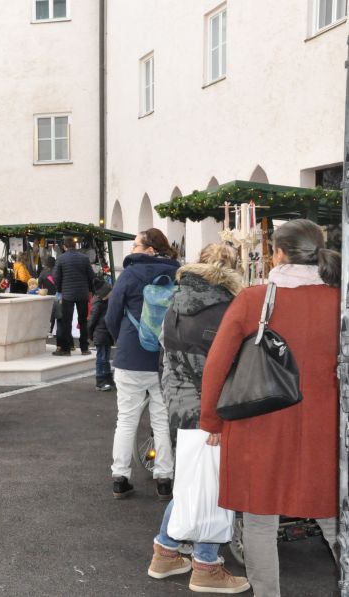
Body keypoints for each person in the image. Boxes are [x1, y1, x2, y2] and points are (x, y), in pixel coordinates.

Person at [200, 220, 341, 596]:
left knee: (260, 520)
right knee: (333, 517)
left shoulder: (254, 299)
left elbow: (217, 364)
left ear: (278, 254)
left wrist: (211, 421)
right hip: (324, 427)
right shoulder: (339, 301)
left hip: (258, 422)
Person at [147, 243, 249, 594]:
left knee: (194, 481)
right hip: (210, 409)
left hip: (179, 403)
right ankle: (206, 565)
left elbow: (166, 355)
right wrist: (217, 417)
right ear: (231, 270)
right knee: (212, 486)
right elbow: (223, 368)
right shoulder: (226, 308)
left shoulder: (177, 300)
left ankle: (166, 552)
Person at [105, 228, 179, 500]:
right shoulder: (177, 274)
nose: (132, 249)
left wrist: (123, 339)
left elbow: (112, 315)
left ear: (150, 249)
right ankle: (164, 478)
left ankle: (120, 477)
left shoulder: (130, 274)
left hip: (130, 356)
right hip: (163, 358)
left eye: (136, 245)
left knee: (126, 419)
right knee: (162, 420)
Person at [52, 239, 94, 356]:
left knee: (67, 321)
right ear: (75, 246)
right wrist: (90, 290)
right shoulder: (84, 258)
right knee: (83, 321)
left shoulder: (61, 259)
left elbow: (56, 277)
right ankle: (84, 348)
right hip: (82, 294)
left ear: (64, 247)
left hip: (67, 294)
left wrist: (59, 290)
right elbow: (91, 276)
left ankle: (66, 349)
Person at [87, 278, 114, 392]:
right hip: (100, 334)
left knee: (106, 358)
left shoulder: (107, 302)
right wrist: (90, 335)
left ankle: (108, 378)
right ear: (104, 293)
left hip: (106, 334)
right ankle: (100, 381)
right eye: (110, 291)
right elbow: (91, 320)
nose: (112, 293)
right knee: (101, 358)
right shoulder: (98, 303)